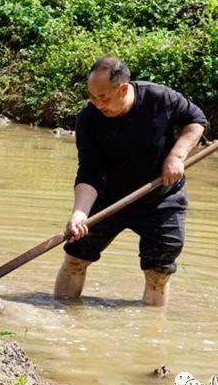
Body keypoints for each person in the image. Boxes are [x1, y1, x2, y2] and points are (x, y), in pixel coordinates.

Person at [54, 56, 208, 306]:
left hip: (162, 197)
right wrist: (79, 214)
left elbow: (197, 121)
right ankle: (58, 314)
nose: (96, 103)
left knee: (158, 274)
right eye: (91, 96)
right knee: (75, 260)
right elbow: (89, 171)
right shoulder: (89, 118)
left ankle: (152, 336)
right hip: (107, 197)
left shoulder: (159, 99)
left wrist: (177, 156)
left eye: (102, 97)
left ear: (123, 88)